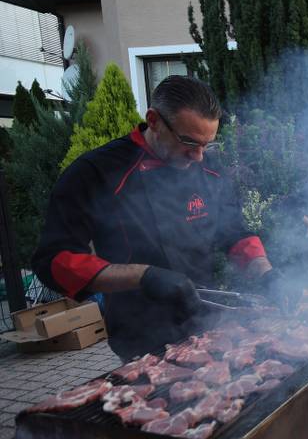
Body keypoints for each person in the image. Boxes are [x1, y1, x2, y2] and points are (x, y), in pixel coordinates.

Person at [32, 75, 290, 361]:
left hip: (206, 322)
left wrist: (266, 273)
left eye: (208, 144)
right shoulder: (96, 173)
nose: (199, 157)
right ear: (153, 120)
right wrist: (144, 276)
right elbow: (55, 261)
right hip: (141, 334)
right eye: (189, 142)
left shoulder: (210, 169)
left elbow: (235, 233)